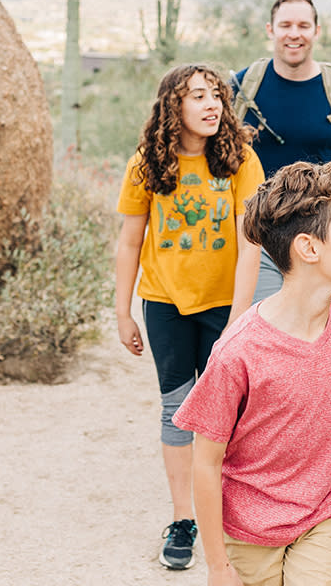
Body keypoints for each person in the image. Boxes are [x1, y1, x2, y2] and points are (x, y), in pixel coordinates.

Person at [173, 161, 331, 586]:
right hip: (247, 532)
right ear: (309, 248)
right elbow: (206, 462)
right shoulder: (238, 351)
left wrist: (328, 482)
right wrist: (217, 566)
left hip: (326, 513)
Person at [114, 64, 265, 571]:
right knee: (177, 408)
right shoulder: (147, 164)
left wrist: (240, 316)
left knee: (232, 416)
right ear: (172, 106)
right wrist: (123, 311)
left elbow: (251, 244)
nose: (211, 104)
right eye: (197, 96)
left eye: (216, 95)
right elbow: (130, 241)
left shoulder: (240, 159)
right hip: (166, 305)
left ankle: (236, 511)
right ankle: (185, 519)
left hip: (227, 306)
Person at [232, 0, 331, 303]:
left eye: (303, 25)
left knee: (320, 327)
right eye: (285, 25)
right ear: (270, 30)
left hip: (325, 236)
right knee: (270, 328)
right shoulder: (243, 88)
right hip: (259, 236)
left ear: (317, 30)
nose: (294, 33)